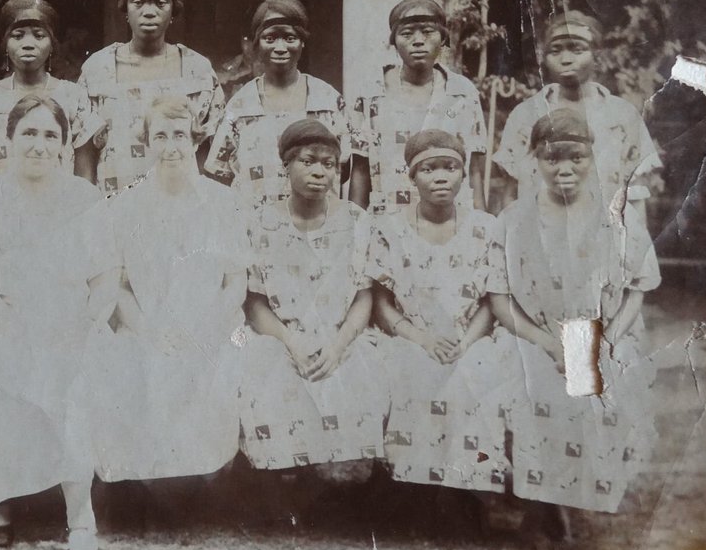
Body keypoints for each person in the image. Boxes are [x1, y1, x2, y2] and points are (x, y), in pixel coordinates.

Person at [0, 95, 118, 550]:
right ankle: (0, 497)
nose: (39, 144)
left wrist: (83, 325)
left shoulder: (86, 200)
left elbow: (106, 277)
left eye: (51, 135)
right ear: (8, 140)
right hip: (3, 323)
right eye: (29, 133)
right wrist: (4, 328)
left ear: (66, 146)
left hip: (72, 321)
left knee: (74, 379)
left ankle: (80, 518)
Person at [489, 109, 659, 524]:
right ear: (535, 161)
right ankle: (538, 503)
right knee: (531, 391)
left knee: (599, 394)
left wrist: (603, 340)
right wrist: (549, 344)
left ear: (592, 157)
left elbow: (637, 287)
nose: (564, 169)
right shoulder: (512, 220)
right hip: (531, 336)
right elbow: (499, 299)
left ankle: (573, 501)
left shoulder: (617, 216)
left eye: (576, 158)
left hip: (603, 336)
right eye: (552, 159)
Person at [94, 96, 246, 489]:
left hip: (215, 323)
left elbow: (236, 283)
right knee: (132, 364)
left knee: (222, 365)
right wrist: (149, 331)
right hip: (147, 324)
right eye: (160, 136)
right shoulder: (124, 206)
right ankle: (149, 484)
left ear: (195, 141)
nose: (171, 146)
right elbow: (121, 288)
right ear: (146, 143)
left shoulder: (223, 202)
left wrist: (207, 326)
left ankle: (206, 478)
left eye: (180, 135)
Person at [366, 129, 519, 495]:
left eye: (449, 167)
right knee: (413, 371)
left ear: (463, 174)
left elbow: (489, 302)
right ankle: (408, 489)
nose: (439, 177)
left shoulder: (486, 228)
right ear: (411, 176)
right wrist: (422, 339)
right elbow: (381, 302)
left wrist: (464, 343)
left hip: (470, 337)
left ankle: (465, 491)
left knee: (472, 375)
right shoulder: (389, 228)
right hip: (408, 336)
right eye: (428, 169)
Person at [238, 119, 385, 481]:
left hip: (342, 334)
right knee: (264, 372)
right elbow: (254, 303)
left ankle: (344, 487)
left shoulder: (357, 221)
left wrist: (336, 346)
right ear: (286, 166)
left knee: (364, 371)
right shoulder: (259, 221)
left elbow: (364, 295)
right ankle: (282, 485)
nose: (319, 171)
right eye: (308, 161)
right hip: (279, 336)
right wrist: (292, 342)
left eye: (329, 164)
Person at [78, 0, 225, 194]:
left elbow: (209, 145)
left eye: (160, 2)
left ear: (173, 11)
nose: (149, 11)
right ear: (125, 9)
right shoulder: (97, 68)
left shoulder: (198, 69)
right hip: (114, 202)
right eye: (138, 2)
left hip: (180, 202)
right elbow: (84, 148)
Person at [493, 10, 661, 212]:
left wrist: (636, 242)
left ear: (596, 56)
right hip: (540, 235)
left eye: (577, 49)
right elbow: (511, 194)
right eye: (555, 50)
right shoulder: (526, 115)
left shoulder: (622, 116)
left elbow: (635, 194)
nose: (566, 59)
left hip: (604, 236)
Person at [206, 0, 354, 210]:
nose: (280, 47)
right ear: (257, 43)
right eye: (270, 38)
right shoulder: (240, 106)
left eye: (289, 37)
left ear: (302, 41)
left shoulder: (327, 100)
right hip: (254, 231)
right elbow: (219, 174)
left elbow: (345, 166)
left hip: (314, 229)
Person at [350, 0, 488, 213]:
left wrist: (481, 228)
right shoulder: (372, 93)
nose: (418, 41)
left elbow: (475, 171)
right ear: (394, 41)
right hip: (388, 222)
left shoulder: (463, 93)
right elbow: (360, 169)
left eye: (427, 32)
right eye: (406, 34)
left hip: (449, 222)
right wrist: (355, 229)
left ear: (443, 38)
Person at [0, 0, 98, 192]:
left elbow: (85, 170)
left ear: (52, 45)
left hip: (58, 210)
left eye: (39, 36)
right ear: (5, 43)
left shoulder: (73, 97)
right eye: (18, 35)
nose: (28, 44)